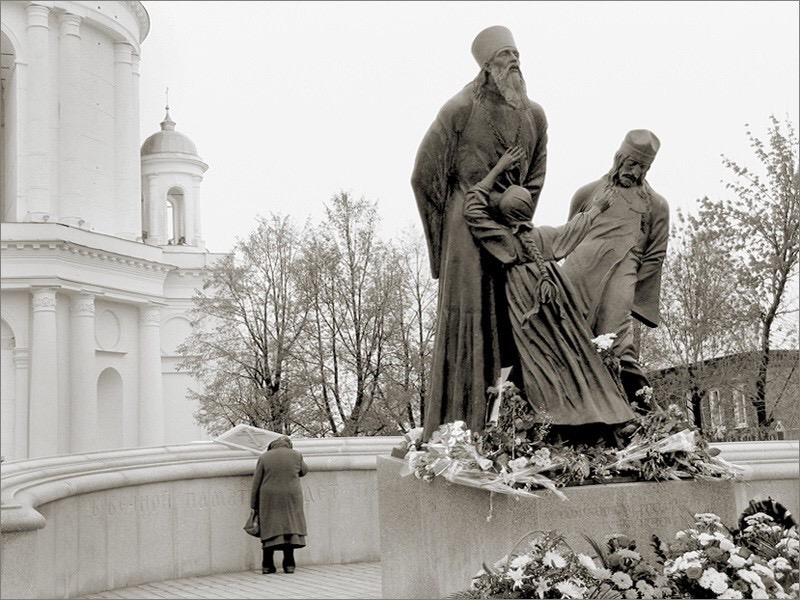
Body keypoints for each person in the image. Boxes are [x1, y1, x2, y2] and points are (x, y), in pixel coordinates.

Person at [412, 25, 548, 442]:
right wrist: (445, 237)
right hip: (465, 232)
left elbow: (538, 175)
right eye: (505, 56)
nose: (514, 62)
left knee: (520, 319)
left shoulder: (535, 114)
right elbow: (424, 176)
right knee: (470, 320)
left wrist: (518, 218)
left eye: (516, 54)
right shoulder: (459, 110)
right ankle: (460, 426)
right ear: (487, 67)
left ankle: (518, 427)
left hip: (510, 229)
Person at [463, 147, 636, 444]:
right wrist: (598, 208)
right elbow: (576, 227)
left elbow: (471, 209)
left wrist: (496, 170)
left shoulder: (503, 240)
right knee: (576, 356)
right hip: (557, 304)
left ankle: (557, 423)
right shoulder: (543, 237)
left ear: (504, 216)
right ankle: (605, 416)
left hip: (528, 309)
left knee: (541, 363)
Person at [560, 129, 669, 404]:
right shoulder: (587, 192)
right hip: (579, 275)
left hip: (622, 276)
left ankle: (646, 416)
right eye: (631, 163)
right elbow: (572, 233)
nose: (635, 171)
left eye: (642, 167)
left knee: (618, 346)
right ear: (619, 157)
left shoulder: (656, 205)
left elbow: (655, 255)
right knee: (568, 341)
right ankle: (568, 415)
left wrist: (629, 283)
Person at [249, 436, 309, 574]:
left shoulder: (264, 457)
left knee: (270, 528)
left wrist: (253, 504)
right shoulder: (296, 455)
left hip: (269, 497)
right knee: (290, 527)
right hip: (291, 496)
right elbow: (304, 471)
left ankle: (267, 565)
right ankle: (289, 564)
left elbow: (256, 482)